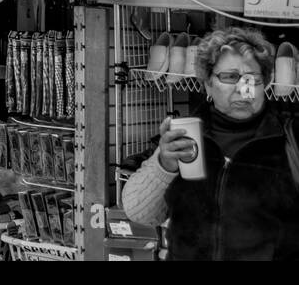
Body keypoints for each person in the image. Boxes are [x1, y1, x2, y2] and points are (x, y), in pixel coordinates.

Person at [122, 26, 299, 261]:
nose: (242, 88)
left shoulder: (288, 139)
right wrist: (164, 165)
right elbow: (140, 213)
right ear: (207, 83)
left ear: (265, 85)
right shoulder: (186, 136)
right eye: (229, 76)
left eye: (253, 78)